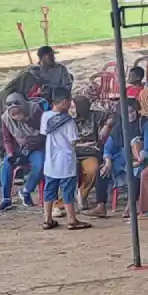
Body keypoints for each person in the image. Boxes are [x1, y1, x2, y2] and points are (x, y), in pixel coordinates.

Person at [40, 88, 91, 231]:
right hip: (66, 161)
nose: (71, 105)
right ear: (64, 102)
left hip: (50, 160)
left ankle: (47, 219)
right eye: (69, 102)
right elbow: (73, 141)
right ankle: (72, 219)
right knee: (67, 191)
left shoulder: (45, 116)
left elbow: (44, 133)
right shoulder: (68, 121)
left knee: (49, 190)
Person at [0, 93, 45, 211]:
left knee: (40, 165)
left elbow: (44, 131)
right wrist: (11, 153)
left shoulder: (35, 110)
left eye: (18, 113)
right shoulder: (5, 118)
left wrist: (26, 120)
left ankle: (26, 191)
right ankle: (6, 199)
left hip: (37, 147)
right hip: (21, 148)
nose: (16, 116)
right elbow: (7, 139)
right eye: (13, 115)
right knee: (6, 164)